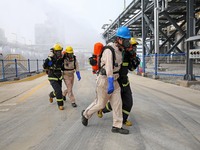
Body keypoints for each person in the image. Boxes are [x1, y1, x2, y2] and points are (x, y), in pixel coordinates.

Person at [81, 26, 132, 134]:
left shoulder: (120, 50)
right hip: (105, 80)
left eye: (128, 40)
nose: (128, 42)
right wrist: (110, 83)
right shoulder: (109, 50)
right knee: (100, 104)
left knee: (117, 103)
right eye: (126, 40)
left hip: (115, 80)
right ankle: (86, 114)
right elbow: (108, 67)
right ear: (119, 39)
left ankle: (117, 126)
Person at [97, 37, 141, 126]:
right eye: (132, 47)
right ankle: (102, 109)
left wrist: (135, 63)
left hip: (125, 81)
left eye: (134, 48)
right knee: (116, 103)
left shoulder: (129, 56)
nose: (133, 49)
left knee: (129, 102)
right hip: (116, 81)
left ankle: (124, 120)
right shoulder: (119, 54)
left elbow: (131, 68)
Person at [43, 43, 64, 110]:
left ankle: (51, 95)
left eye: (60, 51)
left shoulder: (61, 58)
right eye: (57, 51)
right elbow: (44, 66)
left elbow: (63, 67)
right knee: (59, 91)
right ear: (54, 51)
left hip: (59, 76)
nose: (58, 53)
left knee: (58, 91)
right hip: (52, 76)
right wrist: (49, 59)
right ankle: (60, 105)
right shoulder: (50, 58)